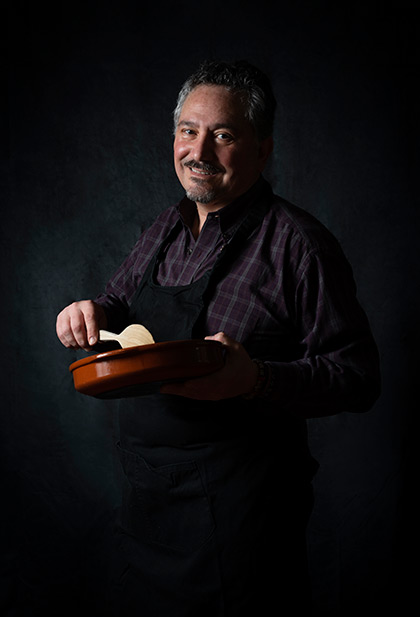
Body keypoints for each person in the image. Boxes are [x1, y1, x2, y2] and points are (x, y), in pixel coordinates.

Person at [56, 60, 380, 615]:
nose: (198, 151)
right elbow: (117, 304)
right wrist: (88, 313)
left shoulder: (299, 246)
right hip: (148, 509)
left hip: (242, 525)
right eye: (188, 131)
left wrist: (256, 378)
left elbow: (357, 377)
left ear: (263, 150)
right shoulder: (166, 228)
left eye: (223, 135)